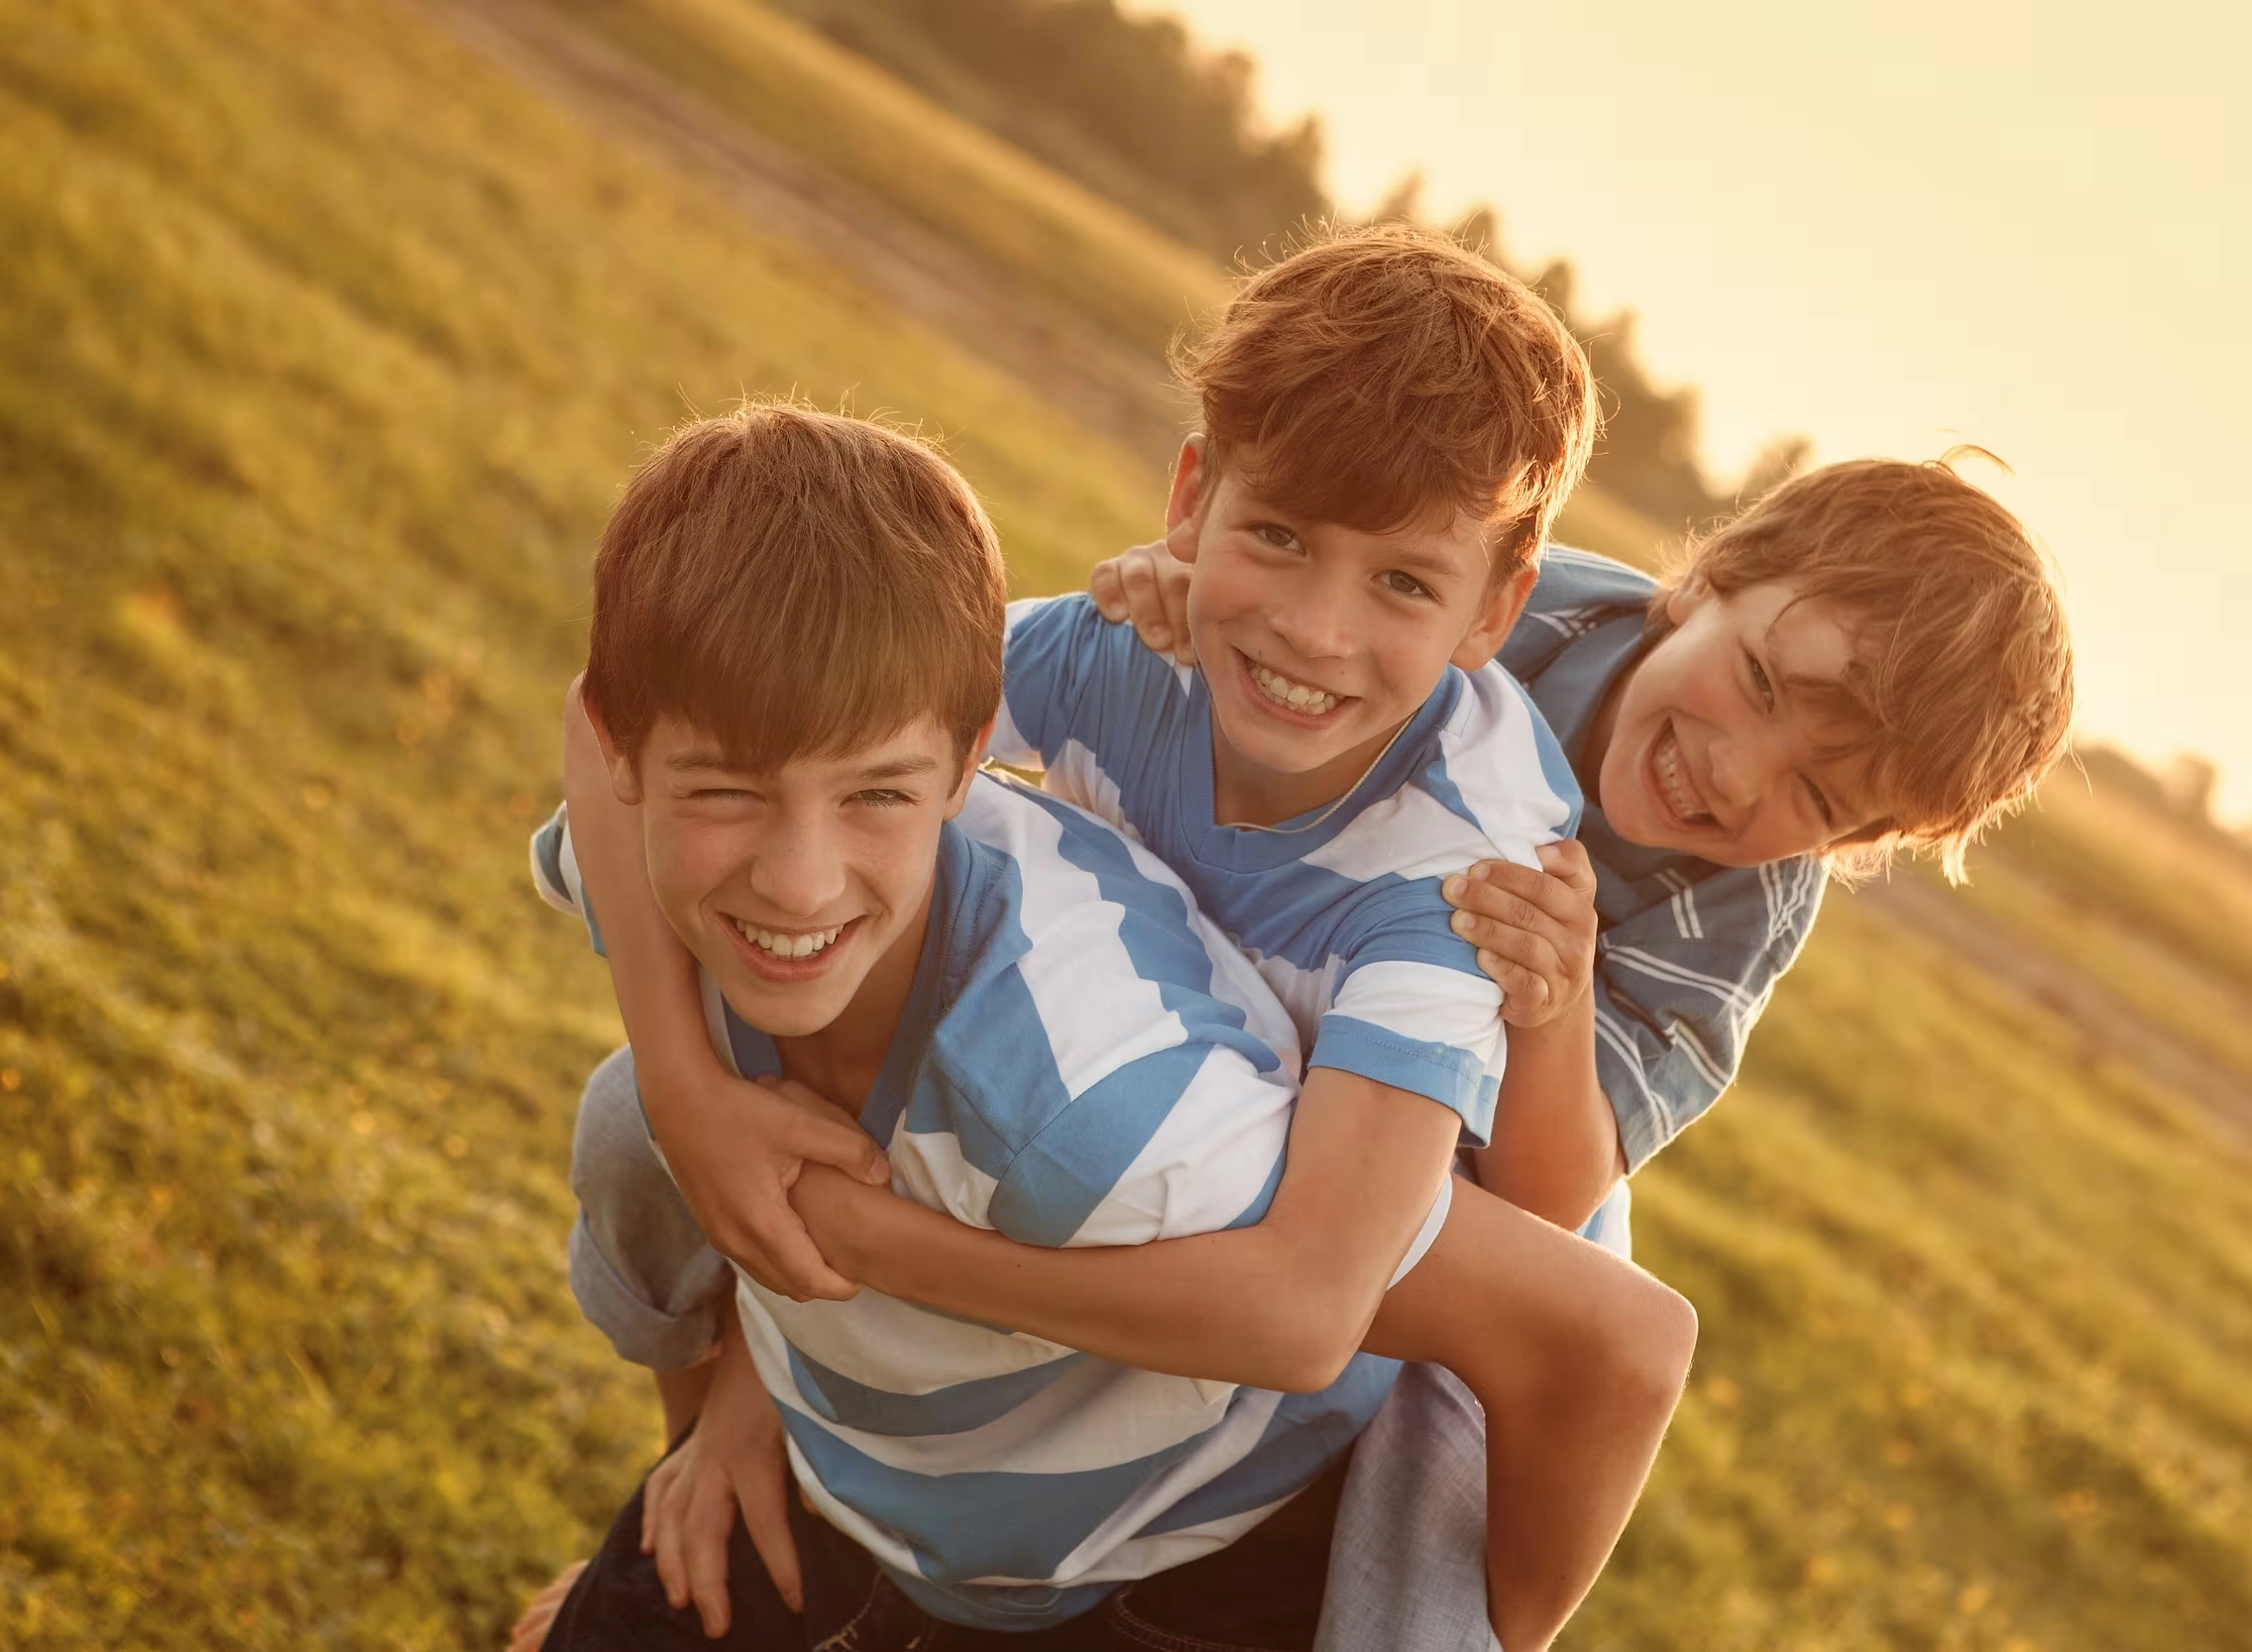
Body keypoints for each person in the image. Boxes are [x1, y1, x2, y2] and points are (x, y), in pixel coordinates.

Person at [527, 398, 1695, 1652]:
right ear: (1192, 498)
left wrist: (853, 1235)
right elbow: (614, 719)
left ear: (1492, 610)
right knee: (630, 1116)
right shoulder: (1101, 654)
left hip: (1215, 1415)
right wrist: (687, 1098)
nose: (1316, 627)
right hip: (920, 1386)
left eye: (1401, 580)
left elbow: (1378, 1312)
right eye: (1280, 536)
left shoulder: (1455, 889)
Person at [1089, 447, 2079, 1647]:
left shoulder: (1744, 898)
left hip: (1496, 1104)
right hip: (1284, 927)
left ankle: (1415, 1619)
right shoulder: (1511, 611)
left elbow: (1555, 1192)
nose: (1733, 776)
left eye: (1819, 799)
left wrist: (1554, 1005)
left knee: (1512, 1372)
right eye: (1758, 682)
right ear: (1707, 579)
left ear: (1858, 840)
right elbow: (1294, 640)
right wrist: (1176, 610)